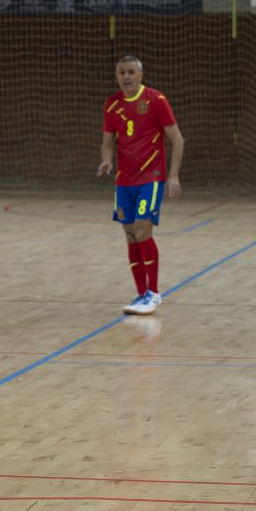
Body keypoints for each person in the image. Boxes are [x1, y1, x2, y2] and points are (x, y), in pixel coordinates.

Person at [98, 55, 184, 316]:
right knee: (129, 234)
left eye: (131, 72)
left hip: (151, 177)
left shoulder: (156, 100)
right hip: (124, 180)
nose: (126, 77)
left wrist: (173, 176)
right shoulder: (112, 104)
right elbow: (108, 141)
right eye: (121, 73)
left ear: (140, 76)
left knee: (142, 230)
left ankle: (154, 293)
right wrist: (106, 160)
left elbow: (178, 140)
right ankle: (140, 294)